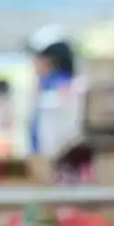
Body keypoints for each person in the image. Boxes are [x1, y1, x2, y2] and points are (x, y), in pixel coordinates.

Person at [26, 25, 75, 154]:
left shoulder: (62, 86)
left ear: (50, 58)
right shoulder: (44, 85)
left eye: (37, 57)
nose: (33, 62)